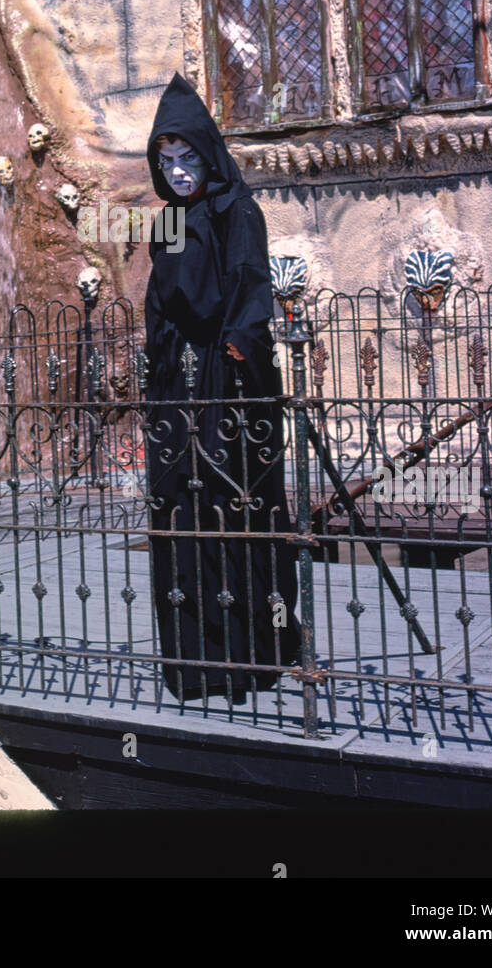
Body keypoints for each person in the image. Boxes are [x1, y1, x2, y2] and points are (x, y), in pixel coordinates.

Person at [142, 72, 301, 704]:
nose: (179, 172)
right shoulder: (167, 223)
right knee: (180, 501)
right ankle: (194, 662)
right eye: (167, 161)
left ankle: (252, 653)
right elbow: (161, 307)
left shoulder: (239, 211)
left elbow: (249, 295)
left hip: (226, 382)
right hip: (178, 385)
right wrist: (158, 367)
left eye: (188, 158)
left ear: (209, 154)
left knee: (234, 501)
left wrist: (237, 360)